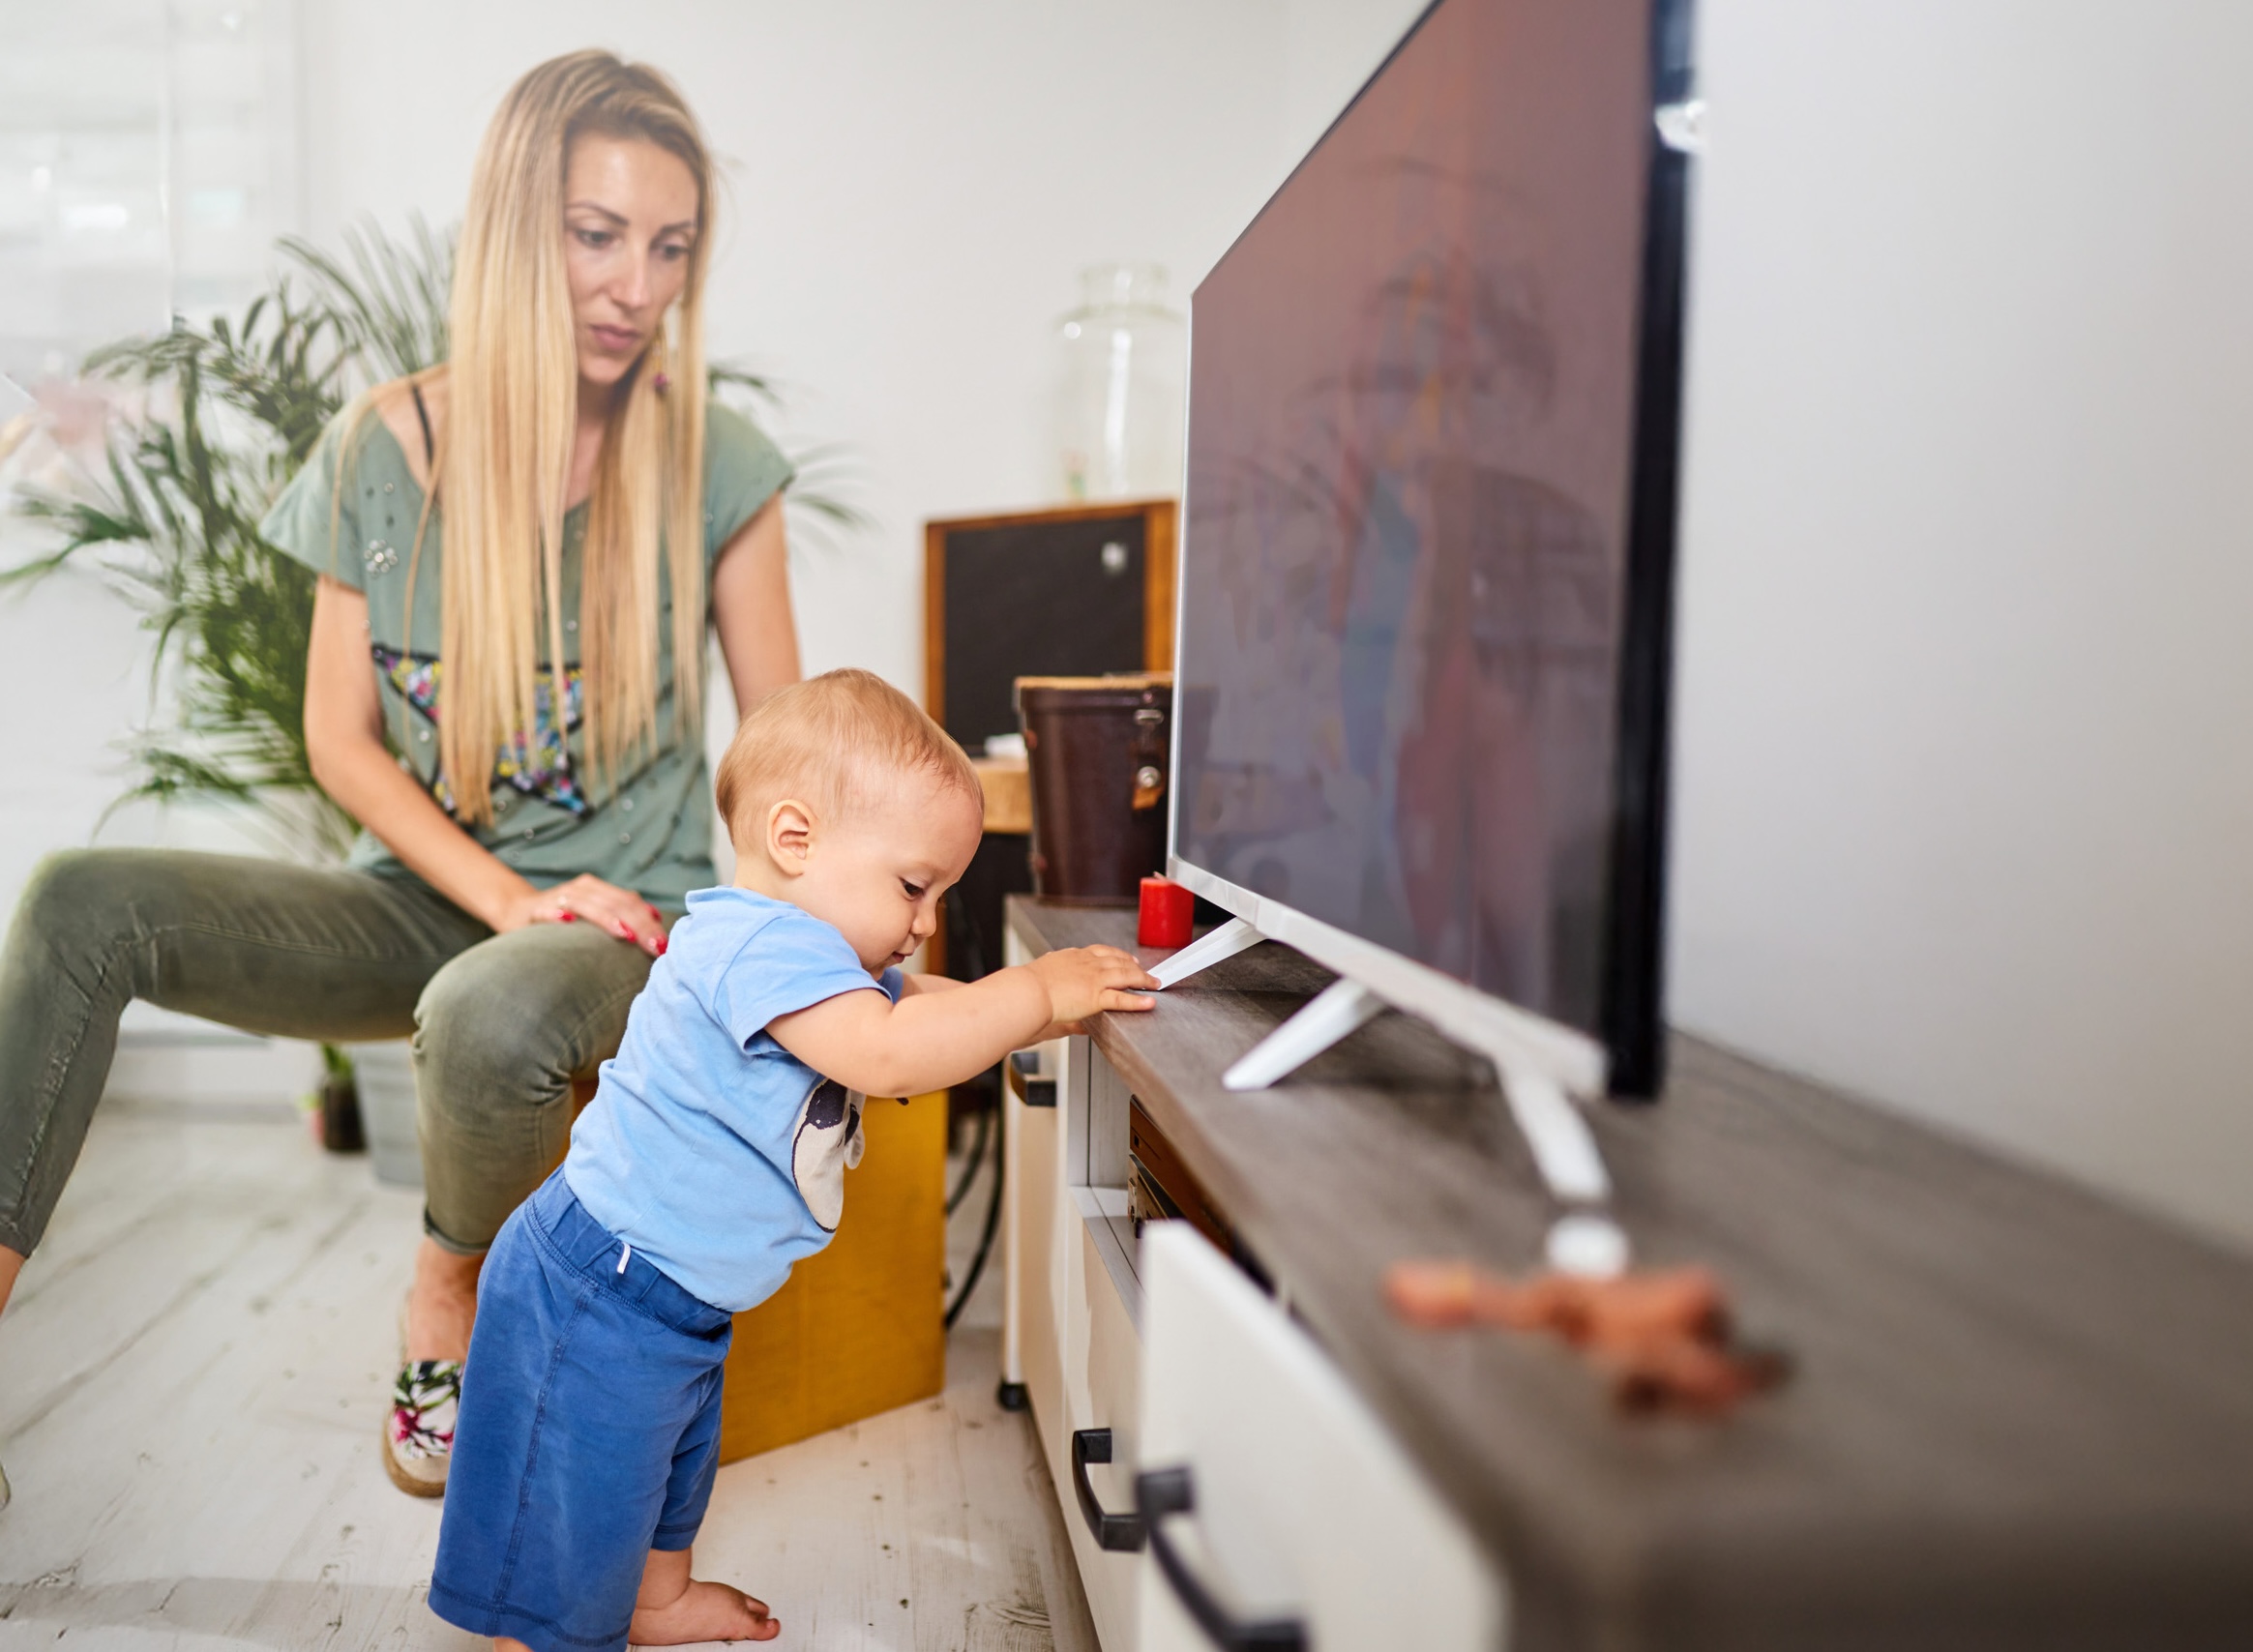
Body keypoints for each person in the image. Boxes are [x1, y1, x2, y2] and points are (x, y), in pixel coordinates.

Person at [0, 50, 800, 1505]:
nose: (635, 286)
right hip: (437, 895)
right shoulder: (382, 448)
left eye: (670, 247)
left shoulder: (716, 463)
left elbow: (781, 750)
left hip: (629, 918)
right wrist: (502, 894)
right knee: (74, 903)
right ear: (517, 231)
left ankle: (445, 1293)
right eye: (597, 234)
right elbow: (341, 739)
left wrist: (803, 947)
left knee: (487, 1011)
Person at [428, 669, 1159, 1651]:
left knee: (669, 1459)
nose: (925, 920)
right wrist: (1032, 990)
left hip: (673, 1290)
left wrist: (1034, 1010)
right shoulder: (757, 946)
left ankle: (654, 1599)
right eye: (914, 886)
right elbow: (889, 1052)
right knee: (581, 1486)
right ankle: (541, 1632)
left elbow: (920, 1004)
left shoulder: (818, 960)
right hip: (597, 1284)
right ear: (794, 839)